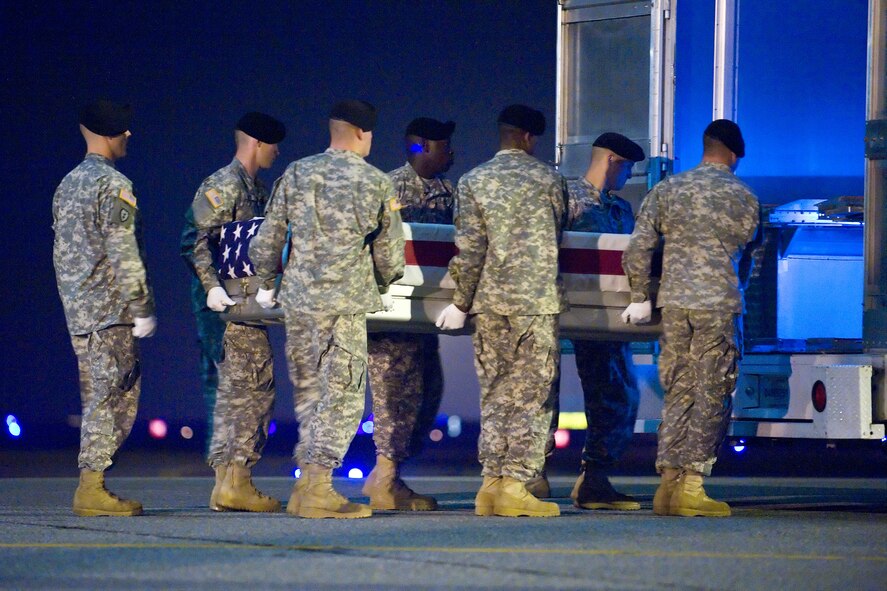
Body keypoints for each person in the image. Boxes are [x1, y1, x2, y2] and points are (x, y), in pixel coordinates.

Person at [250, 99, 404, 519]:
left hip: (298, 305)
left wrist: (268, 282)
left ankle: (305, 488)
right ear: (361, 132)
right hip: (342, 304)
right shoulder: (374, 182)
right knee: (342, 398)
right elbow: (390, 255)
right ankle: (318, 487)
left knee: (310, 397)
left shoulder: (297, 173)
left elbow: (265, 243)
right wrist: (385, 282)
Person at [622, 119, 759, 517]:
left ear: (706, 147)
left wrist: (639, 296)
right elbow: (752, 256)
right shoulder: (744, 197)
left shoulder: (667, 190)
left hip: (674, 304)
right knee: (711, 392)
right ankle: (693, 486)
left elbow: (639, 248)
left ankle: (668, 486)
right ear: (734, 154)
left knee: (679, 391)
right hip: (717, 303)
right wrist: (737, 286)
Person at [436, 104, 567, 518]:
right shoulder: (550, 179)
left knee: (494, 395)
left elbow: (469, 250)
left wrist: (460, 302)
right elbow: (559, 229)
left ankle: (491, 485)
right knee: (531, 398)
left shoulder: (473, 180)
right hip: (533, 305)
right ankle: (515, 483)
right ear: (530, 138)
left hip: (489, 306)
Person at [530, 133, 646, 510]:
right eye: (627, 168)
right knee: (539, 390)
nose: (628, 177)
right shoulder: (564, 197)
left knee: (616, 392)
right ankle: (530, 476)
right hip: (558, 308)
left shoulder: (620, 210)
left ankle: (595, 478)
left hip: (605, 317)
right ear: (612, 160)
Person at [52, 99, 156, 516]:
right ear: (111, 133)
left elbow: (61, 251)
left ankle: (94, 484)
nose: (128, 134)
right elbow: (123, 248)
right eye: (123, 129)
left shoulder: (67, 185)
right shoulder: (112, 185)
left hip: (80, 309)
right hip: (110, 310)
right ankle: (91, 488)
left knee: (99, 393)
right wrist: (142, 304)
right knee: (111, 397)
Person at [181, 112, 286, 513]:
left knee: (238, 393)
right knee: (253, 390)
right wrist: (211, 289)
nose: (277, 151)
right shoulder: (223, 185)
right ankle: (236, 481)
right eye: (273, 144)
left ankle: (227, 483)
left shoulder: (255, 188)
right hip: (226, 309)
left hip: (243, 305)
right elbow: (194, 240)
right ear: (257, 143)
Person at [363, 117, 455, 511]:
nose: (452, 153)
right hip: (391, 315)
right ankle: (385, 480)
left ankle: (387, 474)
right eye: (445, 145)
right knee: (394, 395)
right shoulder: (387, 187)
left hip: (425, 316)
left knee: (428, 391)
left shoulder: (449, 192)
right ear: (422, 146)